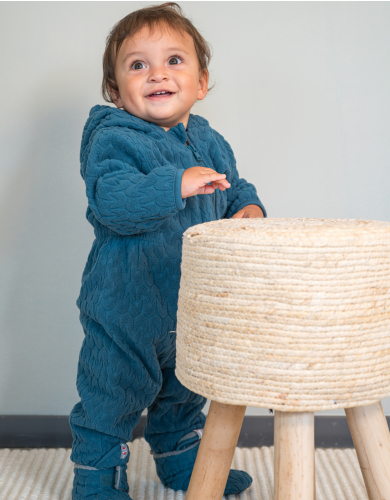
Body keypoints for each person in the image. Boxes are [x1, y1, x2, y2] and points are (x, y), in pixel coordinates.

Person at [69, 3, 267, 499]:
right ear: (116, 91)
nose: (157, 73)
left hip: (193, 305)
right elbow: (112, 202)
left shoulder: (208, 140)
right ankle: (96, 478)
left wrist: (248, 207)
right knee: (111, 394)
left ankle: (181, 463)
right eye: (138, 64)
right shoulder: (113, 139)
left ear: (201, 83)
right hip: (126, 306)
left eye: (174, 60)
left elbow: (233, 186)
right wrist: (175, 184)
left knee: (186, 390)